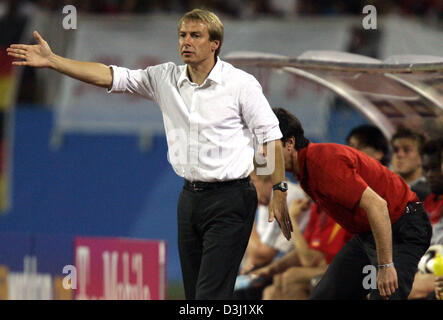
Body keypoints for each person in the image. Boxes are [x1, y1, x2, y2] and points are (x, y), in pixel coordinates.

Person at [7, 9, 293, 299]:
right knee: (196, 296)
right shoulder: (164, 77)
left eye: (196, 36)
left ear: (214, 43)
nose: (186, 41)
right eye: (183, 35)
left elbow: (270, 136)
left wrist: (279, 189)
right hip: (190, 199)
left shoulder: (240, 84)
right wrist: (54, 61)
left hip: (231, 200)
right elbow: (110, 76)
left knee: (210, 296)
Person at [272, 107, 432, 300]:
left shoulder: (323, 163)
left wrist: (385, 266)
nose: (262, 153)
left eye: (267, 145)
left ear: (290, 143)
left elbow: (378, 206)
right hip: (370, 234)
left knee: (386, 296)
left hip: (402, 229)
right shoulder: (304, 170)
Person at [408, 139, 443, 300]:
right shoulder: (424, 202)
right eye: (426, 169)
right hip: (419, 270)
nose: (430, 175)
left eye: (435, 169)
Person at [391, 127, 430, 201]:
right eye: (395, 150)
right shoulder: (384, 189)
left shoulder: (430, 193)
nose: (399, 155)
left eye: (407, 150)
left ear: (421, 158)